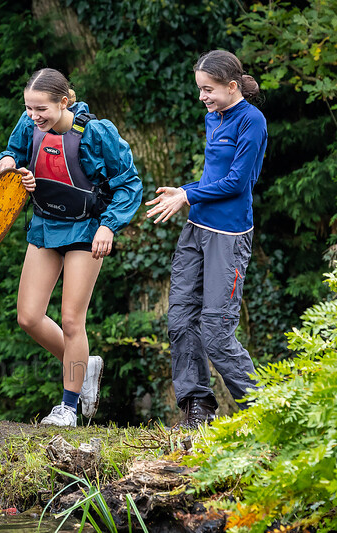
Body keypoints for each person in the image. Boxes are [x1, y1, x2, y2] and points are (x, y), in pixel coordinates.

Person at [0, 68, 143, 427]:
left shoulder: (96, 132)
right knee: (28, 317)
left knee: (72, 320)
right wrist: (10, 164)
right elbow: (14, 151)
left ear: (65, 101)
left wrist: (109, 225)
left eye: (41, 108)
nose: (34, 116)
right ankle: (84, 364)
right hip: (45, 224)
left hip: (86, 229)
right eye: (29, 108)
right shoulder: (29, 125)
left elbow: (129, 183)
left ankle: (68, 408)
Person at [146, 50, 267, 429]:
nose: (203, 97)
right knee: (181, 320)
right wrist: (186, 191)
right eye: (200, 89)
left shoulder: (253, 121)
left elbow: (237, 183)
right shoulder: (213, 118)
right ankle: (197, 406)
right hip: (196, 230)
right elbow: (213, 176)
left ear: (232, 87)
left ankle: (264, 411)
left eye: (209, 89)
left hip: (229, 237)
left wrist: (187, 194)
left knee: (216, 332)